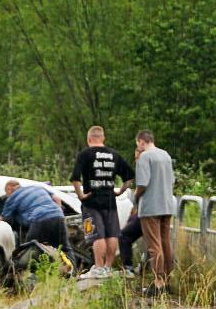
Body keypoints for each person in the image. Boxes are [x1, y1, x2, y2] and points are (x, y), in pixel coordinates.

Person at [70, 126, 133, 281]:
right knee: (112, 234)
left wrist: (81, 195)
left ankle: (98, 268)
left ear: (89, 139)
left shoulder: (85, 154)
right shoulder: (113, 154)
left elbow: (75, 178)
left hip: (90, 201)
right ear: (103, 138)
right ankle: (108, 267)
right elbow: (129, 177)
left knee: (96, 234)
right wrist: (120, 191)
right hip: (110, 201)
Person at [131, 129, 177, 295]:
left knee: (154, 245)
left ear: (142, 141)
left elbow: (142, 183)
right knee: (166, 242)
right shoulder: (165, 155)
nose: (139, 148)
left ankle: (158, 282)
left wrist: (135, 197)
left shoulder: (145, 156)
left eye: (138, 144)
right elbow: (172, 180)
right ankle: (168, 280)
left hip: (151, 206)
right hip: (166, 204)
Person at [0, 180, 68, 252]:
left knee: (29, 250)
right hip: (58, 216)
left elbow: (4, 217)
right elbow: (56, 198)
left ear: (9, 188)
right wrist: (59, 210)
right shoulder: (36, 187)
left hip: (39, 219)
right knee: (65, 249)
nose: (7, 195)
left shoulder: (12, 197)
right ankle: (70, 262)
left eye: (6, 193)